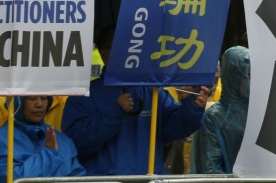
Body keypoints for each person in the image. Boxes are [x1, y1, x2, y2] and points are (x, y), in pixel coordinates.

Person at [61, 25, 209, 175]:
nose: (128, 51)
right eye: (118, 46)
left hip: (148, 178)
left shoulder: (152, 91)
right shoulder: (83, 96)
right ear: (103, 52)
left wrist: (191, 106)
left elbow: (174, 130)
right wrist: (114, 114)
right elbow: (75, 144)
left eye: (130, 45)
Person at [0, 96, 85, 183]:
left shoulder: (62, 140)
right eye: (32, 98)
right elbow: (16, 180)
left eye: (44, 98)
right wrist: (49, 154)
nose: (39, 104)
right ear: (17, 102)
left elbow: (78, 177)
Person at [191, 45, 250, 173]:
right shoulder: (213, 118)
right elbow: (209, 169)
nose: (253, 81)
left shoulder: (260, 113)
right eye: (248, 75)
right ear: (234, 75)